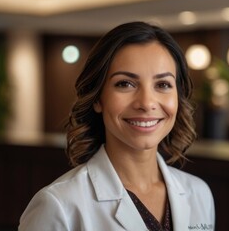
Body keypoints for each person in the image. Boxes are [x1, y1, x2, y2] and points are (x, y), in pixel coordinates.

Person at [19, 21, 215, 231]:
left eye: (163, 84)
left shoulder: (199, 193)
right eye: (125, 84)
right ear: (97, 99)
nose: (147, 103)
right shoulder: (58, 205)